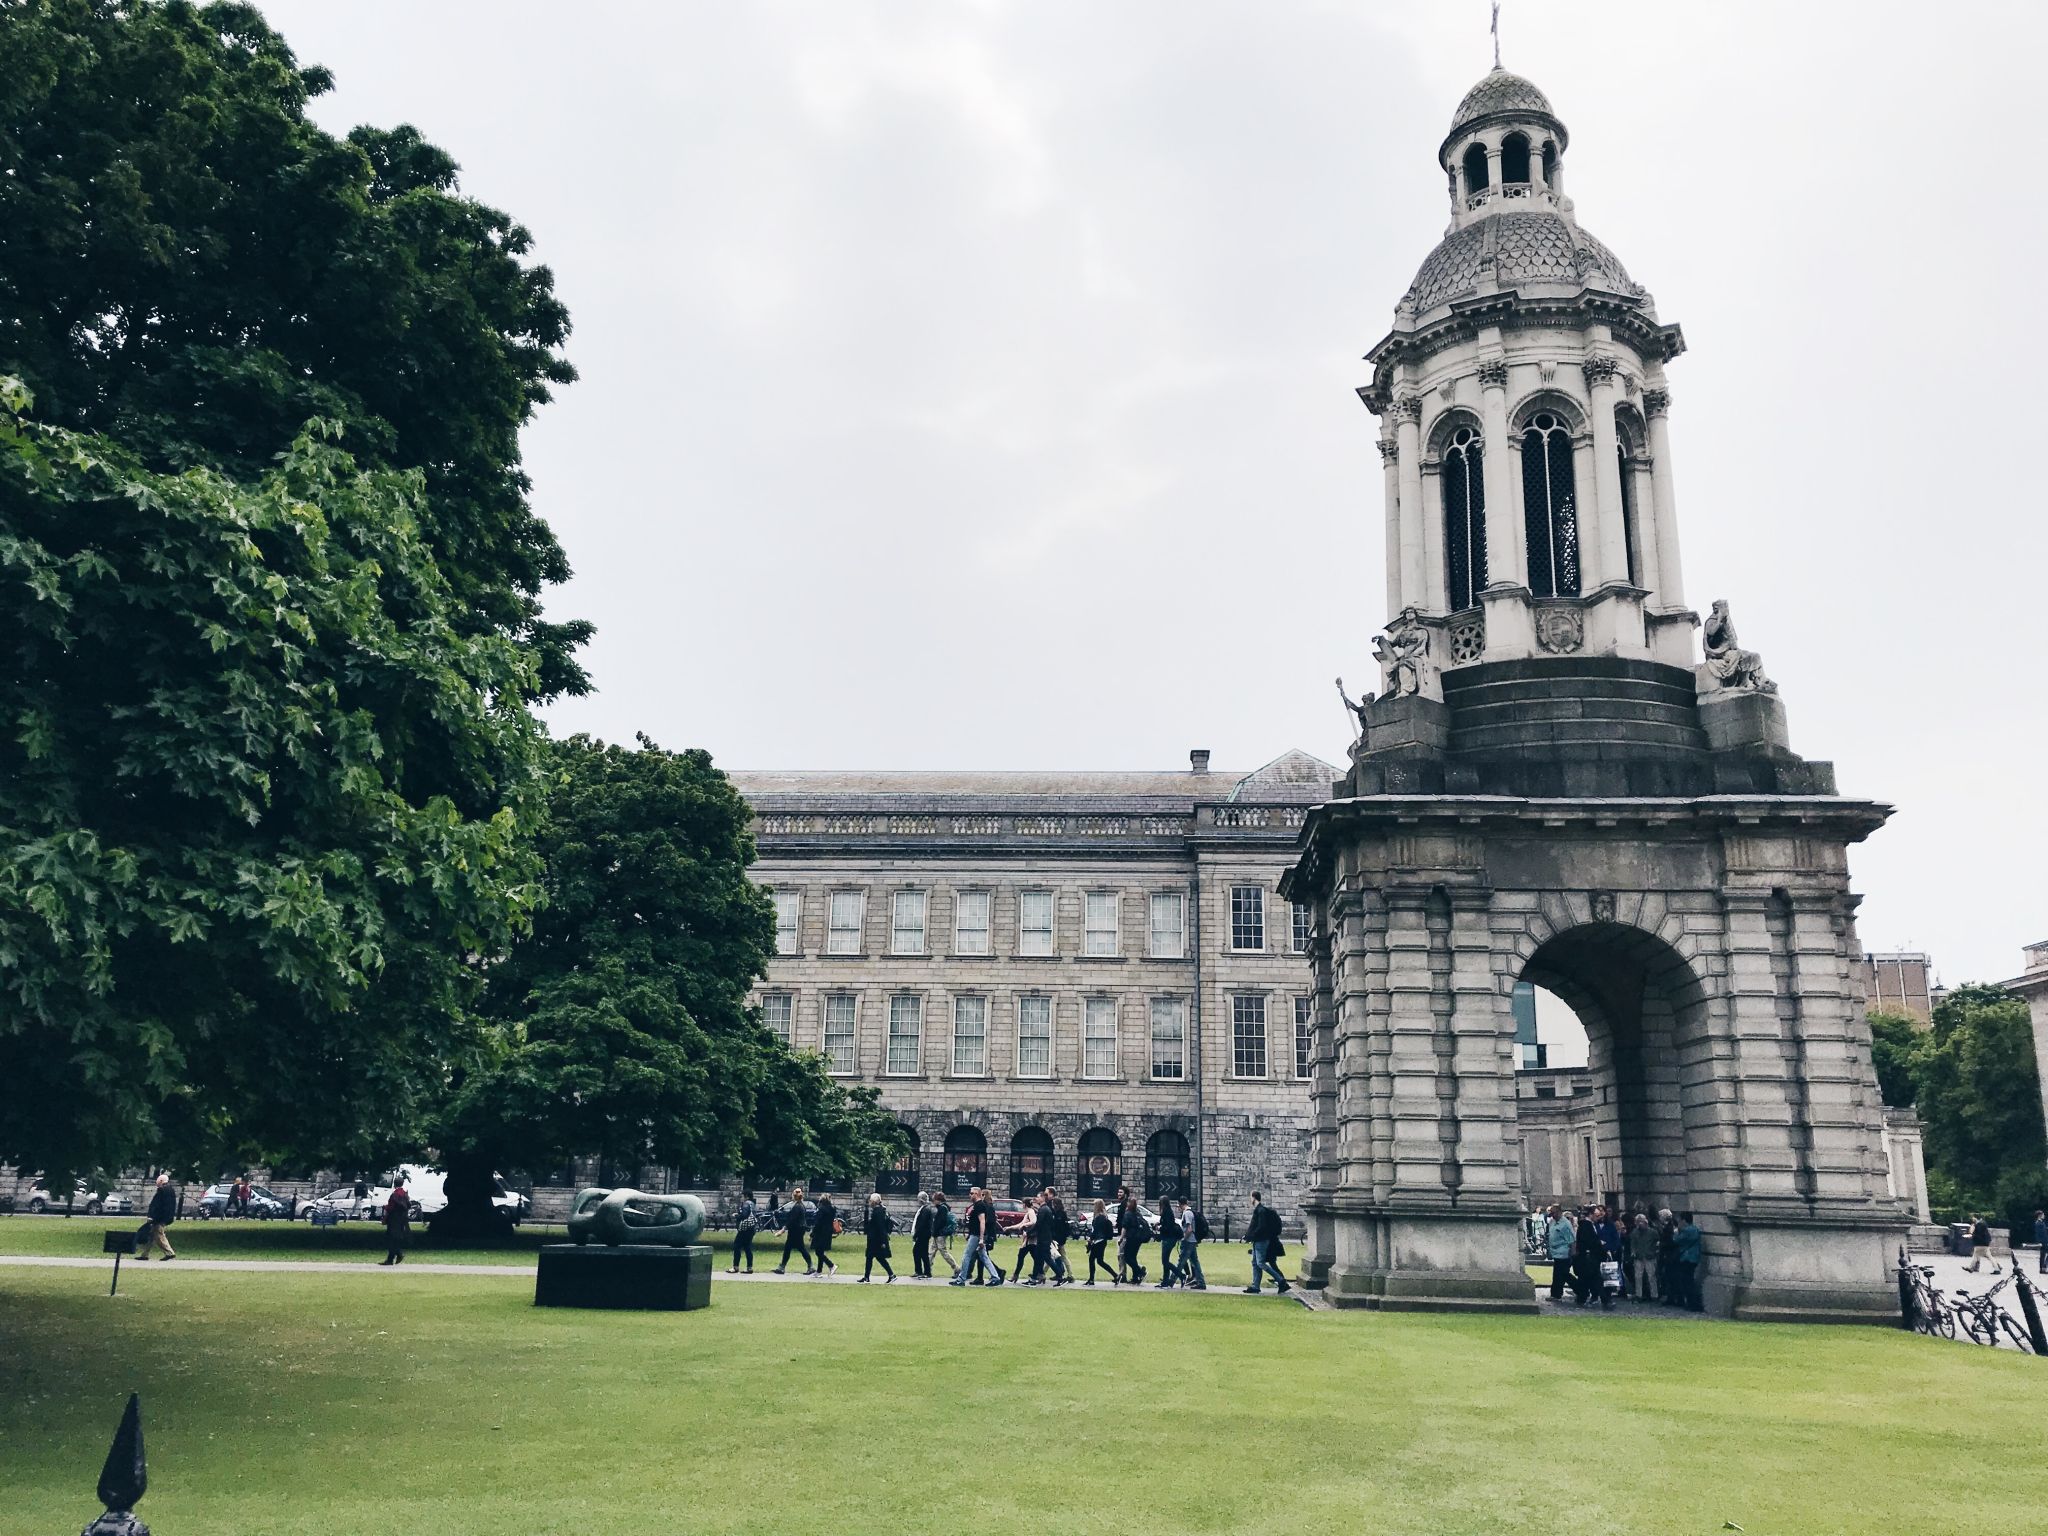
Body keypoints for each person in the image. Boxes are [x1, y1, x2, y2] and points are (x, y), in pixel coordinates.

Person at [950, 1187, 1004, 1286]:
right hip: (977, 1235)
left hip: (976, 1235)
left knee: (967, 1256)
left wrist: (981, 1238)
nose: (970, 1195)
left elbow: (982, 1221)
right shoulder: (978, 1205)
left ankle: (961, 1279)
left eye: (971, 1193)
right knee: (984, 1257)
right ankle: (995, 1277)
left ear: (977, 1194)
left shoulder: (979, 1205)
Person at [1244, 1192, 1289, 1294]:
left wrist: (1252, 1236)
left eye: (1251, 1197)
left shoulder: (1260, 1210)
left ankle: (1280, 1280)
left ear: (1254, 1198)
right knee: (1255, 1263)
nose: (1250, 1200)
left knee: (1260, 1263)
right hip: (1258, 1240)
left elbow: (1261, 1226)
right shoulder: (1260, 1210)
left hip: (1261, 1241)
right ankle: (1255, 1286)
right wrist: (1248, 1236)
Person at [773, 1186, 813, 1275]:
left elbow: (791, 1220)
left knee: (798, 1248)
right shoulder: (801, 1205)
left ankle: (810, 1266)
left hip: (796, 1230)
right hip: (799, 1229)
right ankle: (782, 1267)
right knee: (792, 1248)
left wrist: (782, 1230)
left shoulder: (797, 1207)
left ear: (794, 1196)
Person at [1572, 1205, 1606, 1307]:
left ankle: (1583, 1298)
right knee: (1595, 1279)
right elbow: (1590, 1241)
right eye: (1596, 1215)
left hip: (1588, 1257)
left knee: (1587, 1279)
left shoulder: (1587, 1225)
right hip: (1589, 1257)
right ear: (1591, 1215)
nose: (1598, 1218)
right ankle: (1604, 1299)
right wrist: (1599, 1243)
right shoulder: (1587, 1225)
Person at [139, 1174, 178, 1261]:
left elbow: (157, 1206)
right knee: (151, 1236)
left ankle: (170, 1253)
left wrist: (152, 1216)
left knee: (159, 1235)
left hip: (159, 1218)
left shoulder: (162, 1191)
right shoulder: (171, 1190)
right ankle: (144, 1254)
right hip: (165, 1217)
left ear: (160, 1181)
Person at [859, 1193, 897, 1283]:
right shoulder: (879, 1210)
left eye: (870, 1201)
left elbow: (880, 1227)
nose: (869, 1202)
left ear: (873, 1202)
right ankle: (867, 1277)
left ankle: (890, 1275)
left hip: (876, 1240)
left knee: (875, 1257)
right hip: (874, 1239)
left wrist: (883, 1241)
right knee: (873, 1257)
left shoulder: (878, 1212)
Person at [1673, 1210, 1704, 1311]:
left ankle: (1692, 1303)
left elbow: (1676, 1240)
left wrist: (1677, 1231)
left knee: (1687, 1282)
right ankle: (1692, 1303)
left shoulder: (1687, 1230)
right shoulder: (1694, 1229)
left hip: (1687, 1258)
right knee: (1689, 1280)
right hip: (1693, 1258)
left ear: (1684, 1220)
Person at [1116, 1195, 1149, 1285]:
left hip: (1131, 1238)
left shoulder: (1128, 1214)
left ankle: (1140, 1271)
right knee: (1133, 1257)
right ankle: (1135, 1277)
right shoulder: (1137, 1213)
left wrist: (1121, 1238)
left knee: (1127, 1257)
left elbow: (1125, 1227)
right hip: (1138, 1238)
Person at [1626, 1212, 1659, 1302]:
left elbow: (1658, 1242)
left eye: (1641, 1222)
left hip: (1649, 1256)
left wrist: (1655, 1251)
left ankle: (1654, 1295)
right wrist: (1633, 1251)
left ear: (1645, 1222)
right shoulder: (1635, 1232)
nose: (1639, 1224)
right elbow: (1632, 1243)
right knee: (1638, 1277)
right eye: (1638, 1222)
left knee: (1651, 1277)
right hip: (1639, 1257)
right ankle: (1639, 1295)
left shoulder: (1653, 1232)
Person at [1178, 1199, 1209, 1290]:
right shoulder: (1190, 1212)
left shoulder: (1187, 1213)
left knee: (1181, 1262)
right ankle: (1201, 1282)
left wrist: (1184, 1238)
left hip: (1189, 1241)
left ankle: (1171, 1281)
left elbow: (1189, 1228)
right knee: (1195, 1262)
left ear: (1180, 1204)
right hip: (1193, 1240)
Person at [1545, 1205, 1574, 1301]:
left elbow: (1571, 1240)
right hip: (1556, 1253)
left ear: (1559, 1212)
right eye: (1551, 1213)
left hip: (1564, 1253)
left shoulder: (1565, 1224)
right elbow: (1550, 1236)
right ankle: (1556, 1294)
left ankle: (1580, 1289)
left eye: (1553, 1213)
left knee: (1563, 1274)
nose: (1552, 1215)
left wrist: (1571, 1254)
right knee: (1560, 1274)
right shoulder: (1552, 1222)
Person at [380, 1174, 410, 1265]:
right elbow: (408, 1205)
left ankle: (397, 1255)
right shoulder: (405, 1194)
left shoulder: (394, 1194)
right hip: (402, 1219)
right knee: (396, 1239)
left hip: (394, 1219)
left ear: (394, 1184)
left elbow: (391, 1207)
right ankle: (391, 1258)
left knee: (391, 1238)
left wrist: (385, 1207)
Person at [1009, 1195, 1040, 1282]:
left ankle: (1015, 1275)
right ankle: (1040, 1274)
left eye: (1023, 1204)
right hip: (1029, 1240)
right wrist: (1009, 1227)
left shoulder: (1031, 1212)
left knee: (1021, 1256)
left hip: (1030, 1240)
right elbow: (1020, 1224)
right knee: (1035, 1257)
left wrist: (1024, 1225)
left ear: (1024, 1204)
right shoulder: (1029, 1212)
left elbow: (1033, 1221)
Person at [1154, 1195, 1183, 1288]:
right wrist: (1159, 1223)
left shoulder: (1167, 1212)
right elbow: (1166, 1223)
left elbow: (1168, 1227)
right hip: (1167, 1238)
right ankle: (1165, 1282)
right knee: (1165, 1261)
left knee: (1165, 1261)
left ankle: (1181, 1276)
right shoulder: (1166, 1212)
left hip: (1169, 1239)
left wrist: (1160, 1227)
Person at [1085, 1199, 1116, 1284]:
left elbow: (1095, 1231)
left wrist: (1090, 1239)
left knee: (1092, 1259)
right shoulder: (1104, 1217)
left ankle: (1091, 1279)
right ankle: (1115, 1275)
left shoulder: (1098, 1218)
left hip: (1098, 1241)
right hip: (1102, 1241)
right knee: (1100, 1261)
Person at [728, 1194, 758, 1274]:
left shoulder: (746, 1204)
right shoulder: (753, 1204)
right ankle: (749, 1267)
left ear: (746, 1196)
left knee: (737, 1246)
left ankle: (735, 1267)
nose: (741, 1198)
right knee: (747, 1247)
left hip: (744, 1229)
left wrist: (736, 1216)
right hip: (751, 1228)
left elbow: (744, 1215)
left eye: (742, 1196)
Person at [932, 1193, 960, 1278]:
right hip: (939, 1233)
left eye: (934, 1199)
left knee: (943, 1252)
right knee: (931, 1251)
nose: (933, 1202)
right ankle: (926, 1269)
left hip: (940, 1234)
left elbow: (940, 1222)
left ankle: (957, 1268)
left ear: (938, 1200)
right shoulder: (944, 1208)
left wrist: (935, 1231)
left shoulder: (942, 1209)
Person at [811, 1191, 839, 1276]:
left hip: (820, 1233)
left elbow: (818, 1222)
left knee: (818, 1252)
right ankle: (819, 1271)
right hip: (828, 1232)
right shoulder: (832, 1209)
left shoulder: (821, 1209)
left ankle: (831, 1265)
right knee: (821, 1251)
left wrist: (813, 1233)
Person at [910, 1192, 936, 1279]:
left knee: (917, 1252)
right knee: (922, 1253)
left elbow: (922, 1224)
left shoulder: (926, 1209)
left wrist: (916, 1235)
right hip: (924, 1234)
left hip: (923, 1234)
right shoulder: (926, 1208)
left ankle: (922, 1271)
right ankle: (924, 1271)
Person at [2034, 1209, 2048, 1275]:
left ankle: (2042, 1268)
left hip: (2045, 1241)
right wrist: (2039, 1242)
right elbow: (2038, 1234)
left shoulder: (2042, 1222)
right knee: (2042, 1255)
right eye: (2043, 1215)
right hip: (2042, 1242)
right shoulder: (2038, 1223)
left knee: (2042, 1255)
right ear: (2039, 1215)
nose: (2044, 1216)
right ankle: (2043, 1267)